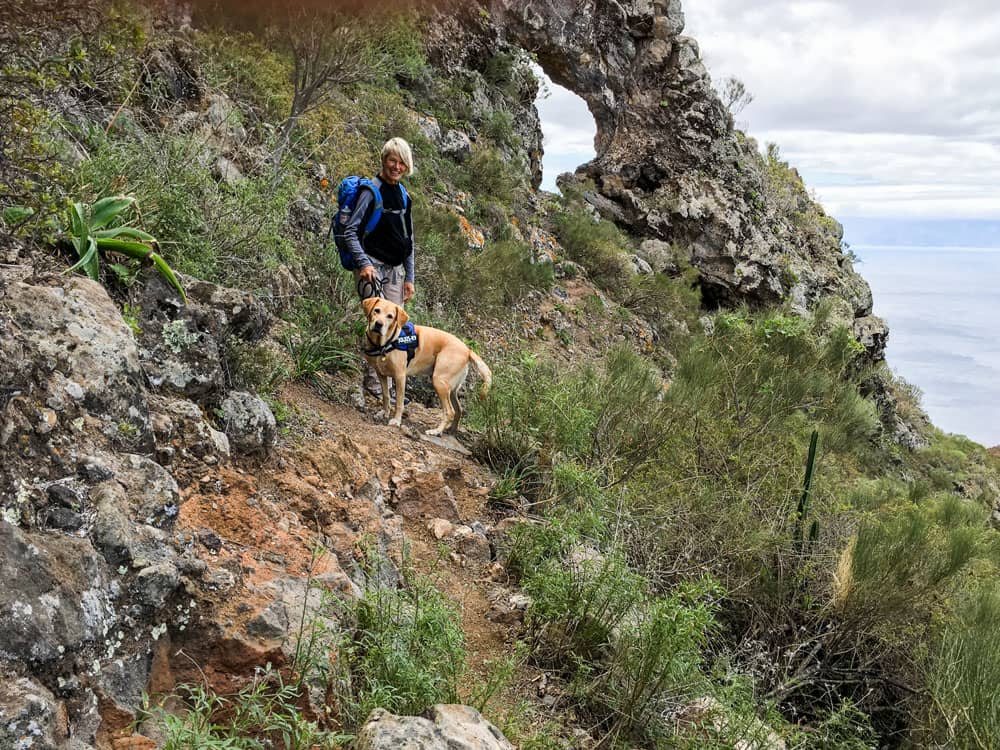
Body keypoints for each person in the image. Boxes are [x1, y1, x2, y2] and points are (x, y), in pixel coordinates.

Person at [342, 137, 415, 395]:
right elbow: (350, 231)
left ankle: (393, 383)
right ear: (384, 160)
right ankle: (373, 383)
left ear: (407, 166)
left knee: (398, 328)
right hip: (371, 268)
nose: (396, 167)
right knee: (376, 325)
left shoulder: (404, 195)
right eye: (392, 161)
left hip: (395, 272)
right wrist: (363, 263)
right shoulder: (370, 191)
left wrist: (410, 278)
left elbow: (409, 240)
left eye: (401, 163)